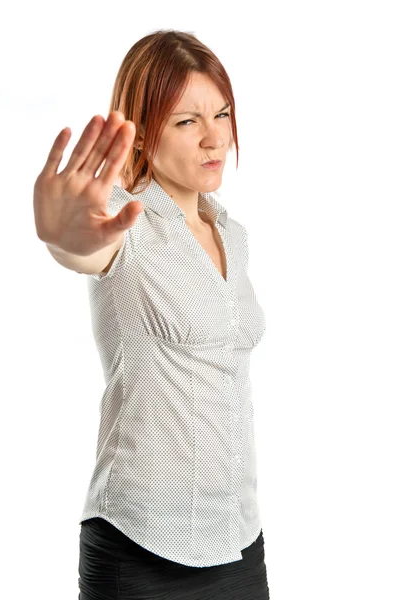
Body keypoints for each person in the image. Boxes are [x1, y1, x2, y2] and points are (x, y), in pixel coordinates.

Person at [34, 29, 270, 600]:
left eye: (222, 113)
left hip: (238, 540)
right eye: (187, 121)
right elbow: (84, 246)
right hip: (141, 550)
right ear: (143, 130)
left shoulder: (231, 236)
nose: (214, 137)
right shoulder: (123, 219)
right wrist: (61, 232)